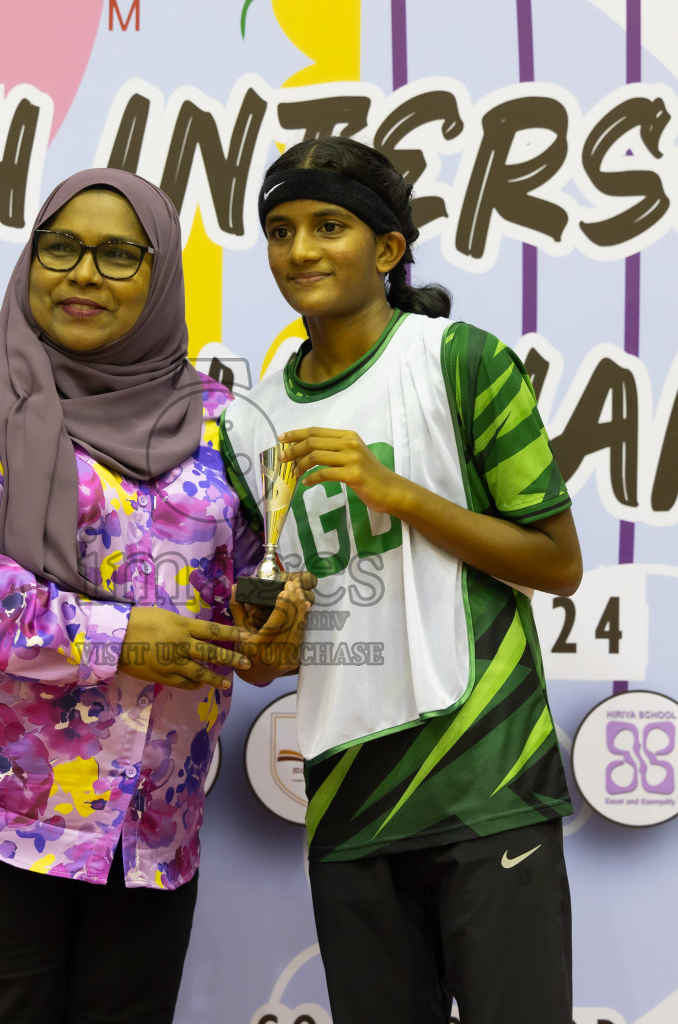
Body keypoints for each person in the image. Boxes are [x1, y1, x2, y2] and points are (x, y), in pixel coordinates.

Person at [0, 167, 311, 1024]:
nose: (83, 273)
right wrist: (116, 636)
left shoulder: (220, 423)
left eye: (117, 254)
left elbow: (261, 574)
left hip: (147, 834)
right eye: (60, 247)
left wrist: (278, 628)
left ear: (162, 273)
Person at [222, 138, 583, 1023]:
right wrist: (264, 634)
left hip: (485, 778)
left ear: (387, 249)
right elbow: (274, 656)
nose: (300, 250)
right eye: (279, 230)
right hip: (347, 796)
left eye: (328, 225)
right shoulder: (248, 424)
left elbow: (557, 562)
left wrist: (397, 493)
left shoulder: (459, 361)